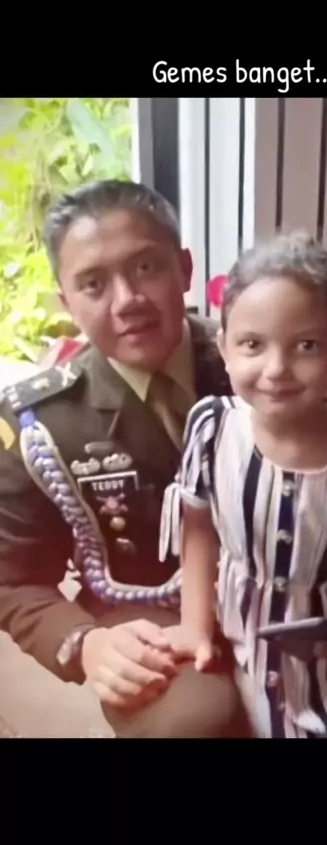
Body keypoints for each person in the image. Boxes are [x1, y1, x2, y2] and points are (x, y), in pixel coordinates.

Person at [0, 179, 253, 738]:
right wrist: (87, 644)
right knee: (196, 718)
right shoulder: (44, 422)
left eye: (145, 267)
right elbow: (13, 579)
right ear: (66, 303)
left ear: (184, 269)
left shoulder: (258, 362)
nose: (127, 300)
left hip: (274, 595)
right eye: (93, 283)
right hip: (149, 615)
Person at [158, 231, 327, 739]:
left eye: (306, 345)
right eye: (252, 345)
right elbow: (198, 529)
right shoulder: (212, 430)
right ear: (223, 347)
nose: (277, 369)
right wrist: (194, 627)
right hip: (238, 647)